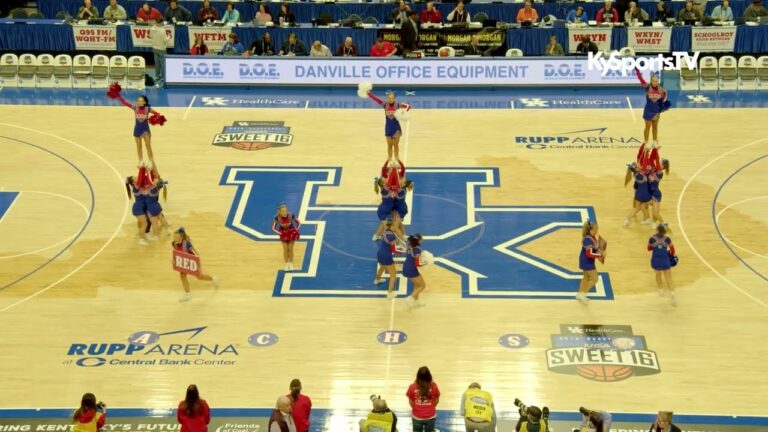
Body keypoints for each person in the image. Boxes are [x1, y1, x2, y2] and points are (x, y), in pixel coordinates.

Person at [109, 89, 163, 164]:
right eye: (138, 101)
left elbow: (158, 114)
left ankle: (151, 161)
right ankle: (140, 161)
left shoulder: (148, 109)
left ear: (145, 102)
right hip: (137, 130)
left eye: (141, 101)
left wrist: (154, 120)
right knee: (139, 147)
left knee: (148, 147)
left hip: (145, 130)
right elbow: (125, 103)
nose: (139, 102)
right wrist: (118, 96)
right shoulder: (135, 108)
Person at [172, 227, 219, 302]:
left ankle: (213, 279)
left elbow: (195, 253)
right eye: (174, 237)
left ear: (181, 237)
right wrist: (174, 261)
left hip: (192, 262)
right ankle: (188, 294)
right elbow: (176, 253)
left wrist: (197, 264)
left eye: (176, 237)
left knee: (200, 277)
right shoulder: (174, 243)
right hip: (184, 262)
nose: (174, 238)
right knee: (182, 276)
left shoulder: (187, 243)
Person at [366, 90, 411, 160]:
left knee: (396, 145)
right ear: (387, 98)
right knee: (389, 145)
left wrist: (402, 112)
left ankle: (396, 158)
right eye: (389, 98)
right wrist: (369, 94)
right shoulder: (385, 104)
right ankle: (389, 158)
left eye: (392, 98)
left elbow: (408, 106)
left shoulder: (398, 105)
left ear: (394, 98)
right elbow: (376, 99)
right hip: (388, 128)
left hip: (396, 128)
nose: (391, 99)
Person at [635, 68, 669, 148]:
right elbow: (641, 79)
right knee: (647, 127)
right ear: (651, 81)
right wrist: (638, 72)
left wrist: (662, 106)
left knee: (655, 127)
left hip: (656, 111)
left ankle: (654, 142)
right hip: (648, 110)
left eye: (656, 81)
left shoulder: (661, 90)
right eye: (653, 81)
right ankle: (646, 142)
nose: (655, 82)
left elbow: (664, 97)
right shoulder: (647, 87)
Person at [577, 220, 605, 302]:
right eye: (596, 229)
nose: (597, 230)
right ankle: (583, 293)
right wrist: (600, 255)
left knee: (586, 277)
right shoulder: (588, 240)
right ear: (591, 230)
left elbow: (593, 249)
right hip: (587, 261)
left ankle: (579, 294)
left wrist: (600, 249)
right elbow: (589, 254)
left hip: (586, 260)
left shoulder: (591, 237)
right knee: (595, 279)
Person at [648, 224, 677, 305]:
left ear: (657, 230)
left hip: (656, 260)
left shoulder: (652, 239)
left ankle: (661, 290)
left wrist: (655, 246)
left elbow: (649, 248)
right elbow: (672, 250)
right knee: (668, 278)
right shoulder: (667, 239)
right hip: (665, 260)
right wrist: (670, 255)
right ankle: (672, 295)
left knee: (658, 275)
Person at [406, 366, 440, 431]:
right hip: (430, 416)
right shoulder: (434, 386)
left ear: (418, 376)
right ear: (429, 376)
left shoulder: (412, 387)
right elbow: (437, 399)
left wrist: (416, 408)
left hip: (417, 417)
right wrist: (432, 406)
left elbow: (410, 402)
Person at [374, 218, 401, 299]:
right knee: (393, 275)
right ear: (392, 225)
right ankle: (389, 293)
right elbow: (394, 250)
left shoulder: (386, 230)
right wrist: (403, 251)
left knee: (382, 267)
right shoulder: (391, 236)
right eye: (396, 225)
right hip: (386, 255)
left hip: (380, 253)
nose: (397, 226)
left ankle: (377, 280)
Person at [272, 204, 301, 271]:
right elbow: (273, 228)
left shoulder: (291, 215)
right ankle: (286, 264)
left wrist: (295, 230)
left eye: (286, 211)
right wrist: (280, 233)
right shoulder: (277, 217)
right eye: (283, 211)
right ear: (280, 212)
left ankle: (291, 264)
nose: (285, 212)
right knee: (285, 249)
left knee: (290, 249)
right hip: (283, 234)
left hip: (291, 233)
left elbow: (299, 223)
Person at [623, 163, 653, 227]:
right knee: (655, 203)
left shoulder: (635, 174)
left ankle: (627, 220)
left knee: (637, 208)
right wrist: (646, 154)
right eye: (638, 165)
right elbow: (644, 164)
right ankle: (653, 221)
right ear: (636, 168)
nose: (640, 164)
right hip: (645, 194)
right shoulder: (640, 174)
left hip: (638, 194)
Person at [403, 234, 427, 309]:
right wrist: (425, 263)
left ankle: (416, 301)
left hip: (406, 267)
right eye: (421, 240)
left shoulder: (409, 245)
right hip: (412, 269)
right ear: (418, 241)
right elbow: (417, 264)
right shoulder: (417, 250)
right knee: (422, 285)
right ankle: (410, 298)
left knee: (417, 284)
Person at [150, 19, 170, 87]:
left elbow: (151, 36)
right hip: (161, 48)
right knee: (163, 63)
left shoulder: (152, 28)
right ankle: (163, 77)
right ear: (161, 23)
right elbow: (165, 40)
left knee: (157, 63)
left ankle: (157, 76)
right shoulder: (162, 30)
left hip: (155, 48)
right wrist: (169, 36)